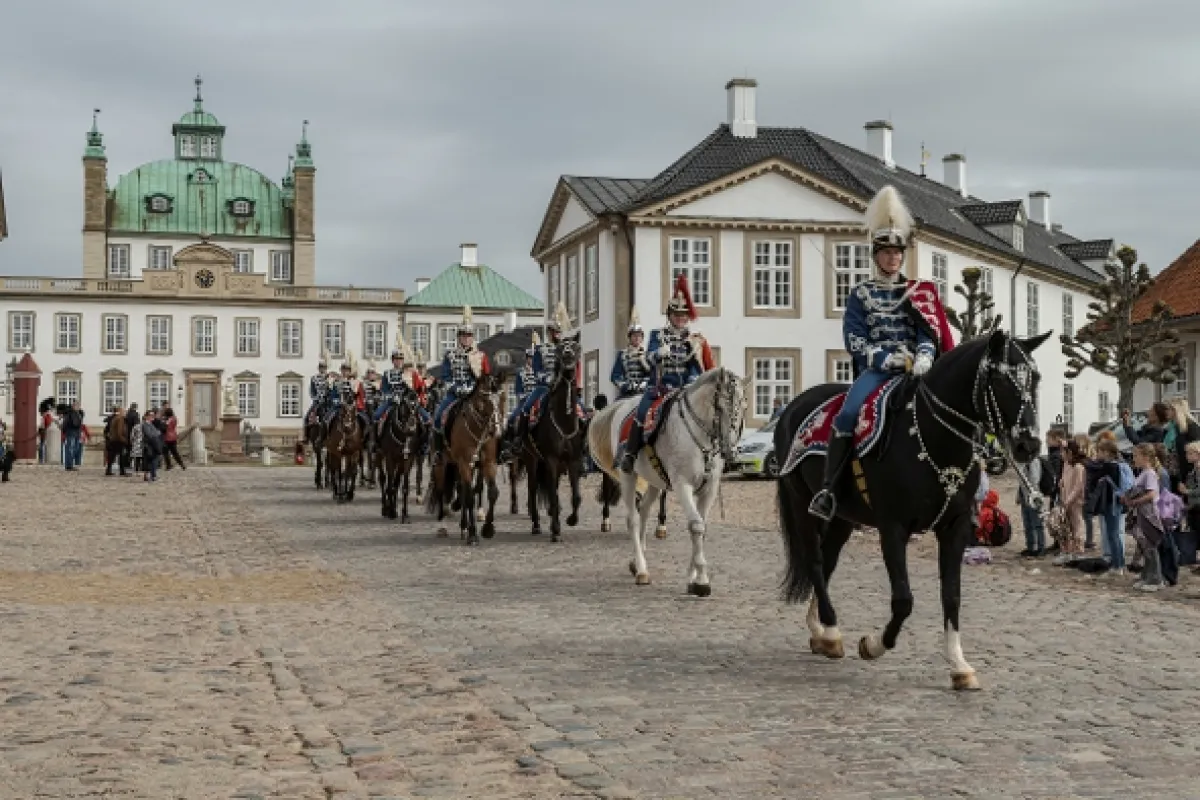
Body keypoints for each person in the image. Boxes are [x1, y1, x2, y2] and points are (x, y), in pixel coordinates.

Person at [808, 185, 954, 520]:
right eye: (887, 253)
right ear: (876, 255)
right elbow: (854, 337)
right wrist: (881, 358)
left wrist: (925, 356)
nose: (893, 258)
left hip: (915, 369)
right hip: (877, 370)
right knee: (847, 415)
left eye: (898, 253)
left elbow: (927, 332)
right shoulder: (861, 293)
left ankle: (959, 485)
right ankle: (830, 489)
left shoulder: (917, 293)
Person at [621, 273, 715, 474]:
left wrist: (691, 380)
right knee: (641, 411)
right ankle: (630, 453)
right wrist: (658, 354)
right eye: (677, 315)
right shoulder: (658, 335)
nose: (681, 319)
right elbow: (647, 359)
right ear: (670, 316)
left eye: (684, 316)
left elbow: (696, 367)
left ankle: (713, 454)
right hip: (660, 387)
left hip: (684, 389)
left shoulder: (693, 339)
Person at [433, 306, 491, 452]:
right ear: (459, 338)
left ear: (472, 338)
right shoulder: (450, 355)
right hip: (454, 395)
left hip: (474, 394)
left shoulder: (480, 356)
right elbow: (445, 377)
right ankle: (439, 451)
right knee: (438, 417)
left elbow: (486, 376)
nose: (466, 338)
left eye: (469, 336)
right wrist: (456, 388)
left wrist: (473, 387)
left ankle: (496, 452)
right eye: (463, 336)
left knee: (493, 418)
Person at [519, 302, 584, 425]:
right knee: (526, 407)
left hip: (563, 385)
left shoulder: (566, 350)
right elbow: (537, 370)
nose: (557, 334)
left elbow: (574, 367)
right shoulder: (540, 349)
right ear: (549, 332)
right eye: (555, 332)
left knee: (583, 409)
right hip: (544, 387)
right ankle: (521, 437)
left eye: (559, 332)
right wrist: (548, 379)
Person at [1126, 443, 1166, 591]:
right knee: (1144, 546)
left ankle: (1156, 579)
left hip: (1148, 514)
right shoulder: (1143, 472)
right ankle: (1147, 576)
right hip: (1141, 513)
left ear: (1146, 457)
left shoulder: (1149, 473)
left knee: (1150, 546)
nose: (1134, 458)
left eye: (1136, 455)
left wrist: (1134, 501)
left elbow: (1151, 494)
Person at [375, 343, 429, 434]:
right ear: (393, 360)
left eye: (400, 359)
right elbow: (384, 389)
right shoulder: (387, 373)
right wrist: (391, 396)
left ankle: (426, 442)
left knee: (426, 417)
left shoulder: (410, 373)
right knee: (376, 415)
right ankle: (375, 442)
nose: (399, 361)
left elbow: (419, 387)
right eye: (396, 359)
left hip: (408, 401)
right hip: (392, 400)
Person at [1054, 440, 1087, 565]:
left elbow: (1078, 487)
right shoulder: (1066, 464)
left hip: (1075, 502)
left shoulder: (1078, 467)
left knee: (1077, 525)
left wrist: (1068, 501)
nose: (1061, 454)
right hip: (1065, 499)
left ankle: (1078, 551)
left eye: (1064, 451)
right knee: (1065, 526)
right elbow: (1063, 480)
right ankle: (1067, 550)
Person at [610, 307, 650, 400]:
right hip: (628, 393)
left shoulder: (647, 354)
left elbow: (652, 373)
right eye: (634, 335)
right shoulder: (623, 354)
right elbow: (615, 376)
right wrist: (626, 386)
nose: (637, 338)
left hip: (644, 392)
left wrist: (644, 383)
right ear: (630, 337)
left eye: (639, 335)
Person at [1016, 456, 1045, 558]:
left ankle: (1041, 548)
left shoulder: (1034, 461)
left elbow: (1034, 479)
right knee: (1027, 524)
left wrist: (1031, 496)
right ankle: (1030, 547)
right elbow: (1020, 481)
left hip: (1034, 497)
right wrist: (1019, 496)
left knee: (1037, 524)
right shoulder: (1022, 462)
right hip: (1025, 496)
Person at [303, 356, 332, 435]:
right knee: (306, 418)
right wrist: (315, 398)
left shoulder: (330, 378)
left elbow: (332, 390)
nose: (322, 369)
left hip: (327, 403)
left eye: (324, 367)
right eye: (321, 367)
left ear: (326, 368)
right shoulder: (314, 378)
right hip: (317, 402)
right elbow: (312, 391)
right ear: (319, 368)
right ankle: (306, 437)